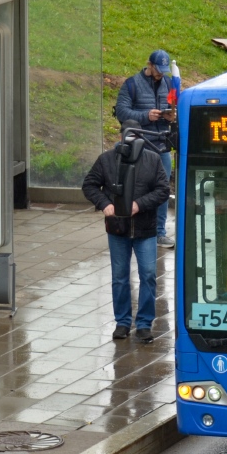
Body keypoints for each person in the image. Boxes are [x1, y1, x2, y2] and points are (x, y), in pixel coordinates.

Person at [82, 133, 170, 343]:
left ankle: (144, 324)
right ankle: (122, 322)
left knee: (148, 274)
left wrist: (139, 205)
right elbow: (90, 185)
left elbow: (163, 190)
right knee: (120, 277)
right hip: (117, 229)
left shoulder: (153, 159)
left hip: (145, 230)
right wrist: (105, 204)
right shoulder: (106, 159)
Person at [115, 50, 175, 247]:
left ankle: (159, 231)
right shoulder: (131, 84)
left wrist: (171, 116)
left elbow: (177, 106)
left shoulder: (168, 84)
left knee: (162, 189)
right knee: (138, 188)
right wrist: (145, 116)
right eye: (157, 70)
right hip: (140, 145)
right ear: (149, 65)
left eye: (163, 71)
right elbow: (122, 112)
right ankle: (133, 227)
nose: (160, 74)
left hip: (162, 144)